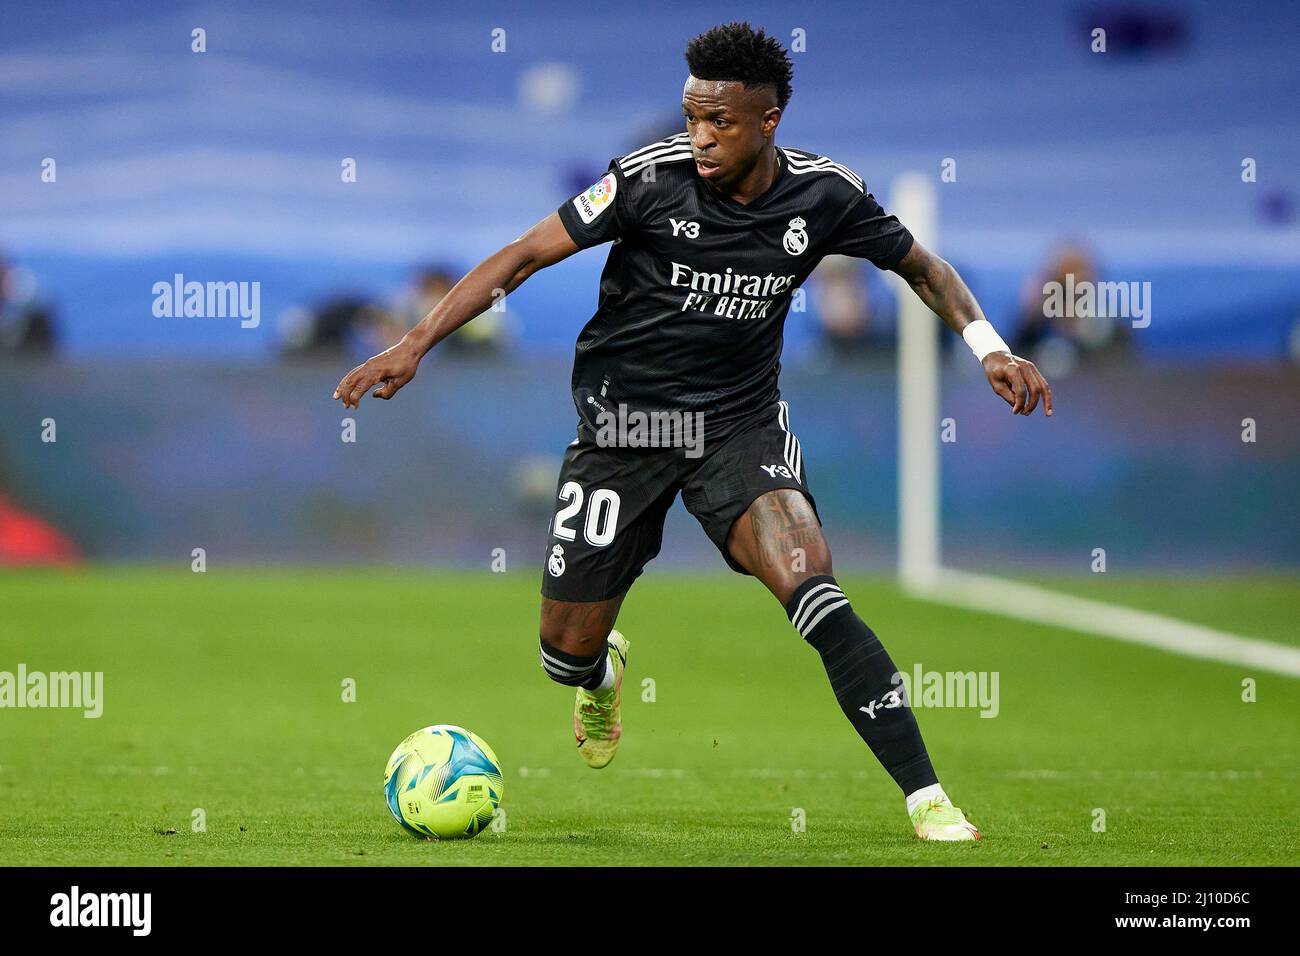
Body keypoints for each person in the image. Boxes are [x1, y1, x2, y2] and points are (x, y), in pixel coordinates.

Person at [334, 22, 1051, 842]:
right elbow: (525, 254)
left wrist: (989, 347)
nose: (700, 138)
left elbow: (924, 267)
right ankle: (601, 678)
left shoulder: (824, 196)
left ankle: (928, 799)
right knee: (562, 653)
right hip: (622, 430)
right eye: (691, 118)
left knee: (812, 586)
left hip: (737, 427)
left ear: (769, 120)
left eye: (720, 123)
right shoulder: (648, 179)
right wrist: (415, 342)